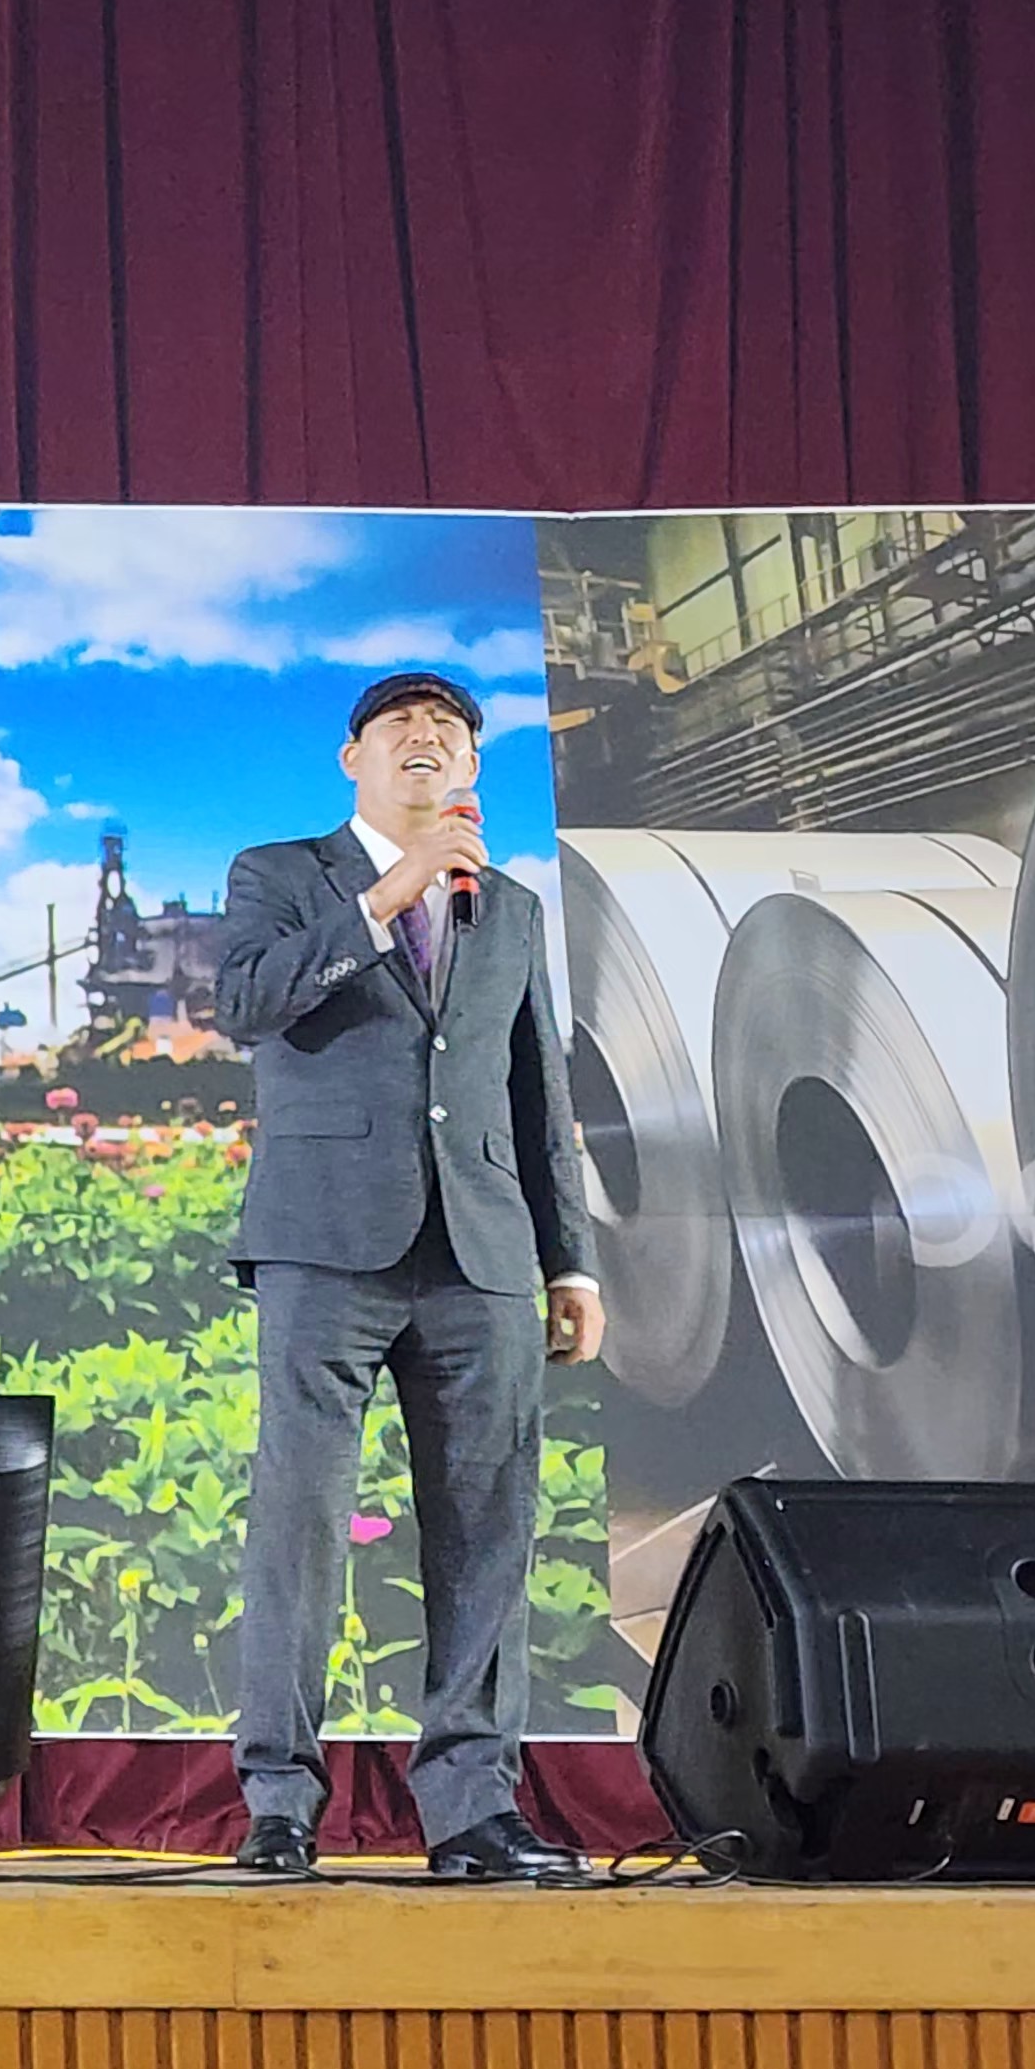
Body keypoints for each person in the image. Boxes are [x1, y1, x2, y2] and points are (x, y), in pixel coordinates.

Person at [215, 669, 603, 1880]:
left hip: (481, 1253)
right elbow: (246, 1002)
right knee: (299, 1523)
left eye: (449, 729)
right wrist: (390, 892)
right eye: (400, 726)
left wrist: (570, 1261)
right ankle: (279, 1804)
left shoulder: (511, 907)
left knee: (488, 1528)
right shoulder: (280, 874)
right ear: (355, 759)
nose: (426, 737)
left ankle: (471, 1812)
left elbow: (536, 1090)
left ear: (473, 768)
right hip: (323, 1244)